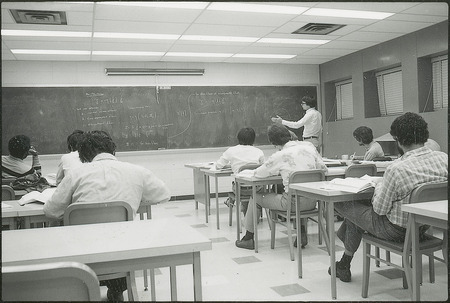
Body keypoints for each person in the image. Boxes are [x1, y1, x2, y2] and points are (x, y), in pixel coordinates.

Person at [44, 130, 171, 302]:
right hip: (123, 253)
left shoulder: (76, 174)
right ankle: (117, 290)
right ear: (113, 150)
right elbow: (163, 195)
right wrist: (135, 197)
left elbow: (51, 211)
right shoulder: (137, 171)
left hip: (81, 256)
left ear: (84, 156)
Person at [331, 112, 448, 283]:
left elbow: (379, 210)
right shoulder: (444, 159)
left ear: (398, 140)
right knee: (356, 215)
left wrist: (379, 187)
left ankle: (343, 263)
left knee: (345, 203)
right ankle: (343, 264)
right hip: (425, 226)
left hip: (395, 231)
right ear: (425, 135)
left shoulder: (397, 169)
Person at [235, 124, 328, 250]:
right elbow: (324, 170)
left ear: (272, 142)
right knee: (298, 190)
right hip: (313, 202)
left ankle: (248, 238)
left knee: (256, 197)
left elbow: (259, 174)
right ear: (289, 135)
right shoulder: (310, 148)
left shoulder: (280, 155)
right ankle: (301, 234)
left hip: (291, 204)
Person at [214, 127, 265, 213]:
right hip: (257, 188)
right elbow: (264, 167)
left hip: (240, 190)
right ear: (253, 139)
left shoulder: (231, 150)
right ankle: (250, 212)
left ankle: (238, 205)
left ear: (238, 138)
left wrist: (232, 165)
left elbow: (218, 166)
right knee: (252, 187)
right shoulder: (259, 151)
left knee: (239, 184)